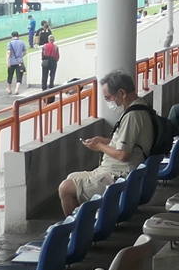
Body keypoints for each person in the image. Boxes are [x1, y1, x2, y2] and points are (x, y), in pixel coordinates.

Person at [58, 71, 159, 211]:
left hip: (119, 174)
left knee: (66, 188)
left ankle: (80, 224)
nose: (108, 102)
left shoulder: (133, 116)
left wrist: (99, 146)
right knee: (72, 178)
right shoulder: (140, 107)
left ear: (121, 93)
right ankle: (88, 217)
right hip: (115, 170)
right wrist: (106, 141)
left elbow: (123, 155)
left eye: (108, 97)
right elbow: (131, 142)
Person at [5, 30, 28, 97]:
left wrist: (7, 61)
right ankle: (16, 89)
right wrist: (20, 56)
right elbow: (25, 52)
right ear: (18, 36)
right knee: (19, 76)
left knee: (10, 75)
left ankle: (9, 89)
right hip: (19, 62)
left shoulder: (10, 43)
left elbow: (8, 52)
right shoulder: (22, 43)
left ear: (12, 36)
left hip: (11, 62)